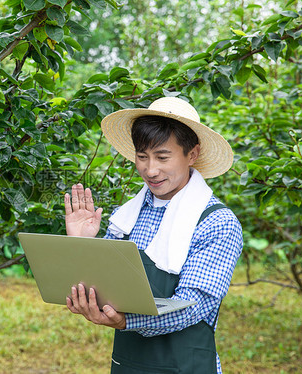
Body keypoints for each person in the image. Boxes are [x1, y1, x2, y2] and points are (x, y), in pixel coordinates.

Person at [64, 97, 243, 374]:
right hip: (129, 365)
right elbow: (105, 284)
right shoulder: (127, 217)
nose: (150, 170)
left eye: (162, 157)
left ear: (192, 155)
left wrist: (126, 321)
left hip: (187, 367)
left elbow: (193, 306)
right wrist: (83, 242)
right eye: (142, 156)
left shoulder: (217, 222)